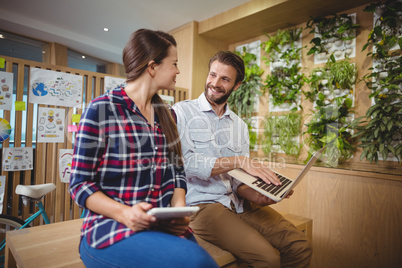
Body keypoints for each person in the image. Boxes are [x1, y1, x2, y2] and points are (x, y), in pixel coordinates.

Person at [69, 29, 219, 268]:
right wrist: (124, 213)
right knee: (197, 261)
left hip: (160, 225)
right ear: (152, 67)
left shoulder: (167, 115)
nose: (178, 71)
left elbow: (176, 170)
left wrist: (179, 210)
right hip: (111, 228)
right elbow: (79, 185)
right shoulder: (101, 109)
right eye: (174, 64)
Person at [173, 51, 312, 268]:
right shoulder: (182, 112)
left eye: (225, 79)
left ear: (237, 85)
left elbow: (237, 183)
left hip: (238, 204)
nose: (215, 83)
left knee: (300, 246)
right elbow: (186, 164)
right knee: (268, 258)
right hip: (202, 206)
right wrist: (239, 161)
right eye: (212, 75)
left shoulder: (239, 126)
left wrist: (259, 195)